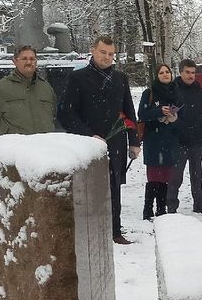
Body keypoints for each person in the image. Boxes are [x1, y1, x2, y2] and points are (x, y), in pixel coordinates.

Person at [58, 35, 141, 244]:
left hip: (116, 143)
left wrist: (134, 141)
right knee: (89, 188)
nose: (107, 57)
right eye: (103, 52)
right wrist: (88, 135)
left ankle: (114, 230)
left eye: (111, 54)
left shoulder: (120, 78)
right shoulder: (78, 78)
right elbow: (66, 114)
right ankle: (91, 230)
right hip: (88, 145)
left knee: (114, 186)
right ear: (93, 51)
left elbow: (128, 111)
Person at [138, 64, 183, 218]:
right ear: (156, 76)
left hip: (170, 140)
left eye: (167, 72)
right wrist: (158, 111)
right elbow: (142, 114)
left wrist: (174, 119)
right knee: (154, 177)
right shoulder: (149, 93)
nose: (165, 75)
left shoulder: (176, 92)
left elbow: (183, 116)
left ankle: (161, 209)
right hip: (154, 140)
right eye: (161, 73)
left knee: (165, 177)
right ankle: (148, 209)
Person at [168, 59, 202, 214]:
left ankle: (200, 204)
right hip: (179, 141)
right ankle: (171, 205)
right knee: (175, 176)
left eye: (193, 72)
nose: (191, 75)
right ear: (180, 72)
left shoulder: (199, 90)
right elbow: (171, 116)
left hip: (197, 140)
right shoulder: (173, 90)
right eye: (187, 72)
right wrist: (181, 130)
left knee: (197, 175)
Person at [0, 44, 57, 136]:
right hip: (15, 147)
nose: (29, 62)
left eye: (32, 59)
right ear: (15, 61)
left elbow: (53, 115)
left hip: (43, 146)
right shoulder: (1, 88)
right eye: (24, 59)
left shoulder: (46, 87)